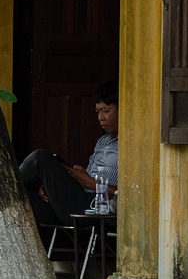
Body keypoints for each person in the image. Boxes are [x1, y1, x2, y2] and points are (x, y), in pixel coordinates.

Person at [19, 80, 119, 225]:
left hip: (97, 208)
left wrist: (92, 183)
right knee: (24, 197)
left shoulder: (134, 146)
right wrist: (50, 187)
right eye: (97, 112)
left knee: (40, 157)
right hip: (78, 198)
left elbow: (130, 195)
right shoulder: (103, 141)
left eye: (106, 111)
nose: (100, 118)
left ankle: (4, 183)